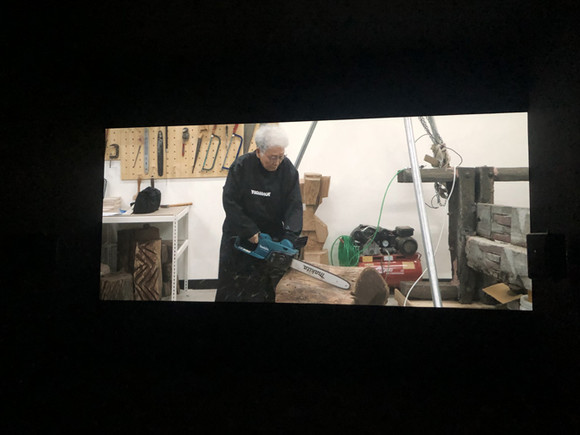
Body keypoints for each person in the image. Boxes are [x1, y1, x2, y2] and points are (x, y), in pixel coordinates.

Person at [216, 124, 303, 302]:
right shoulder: (241, 166)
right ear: (258, 151)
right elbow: (230, 201)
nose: (277, 162)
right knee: (232, 291)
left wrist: (290, 236)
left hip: (271, 238)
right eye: (272, 157)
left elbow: (294, 206)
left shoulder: (288, 170)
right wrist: (249, 230)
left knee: (265, 293)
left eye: (281, 156)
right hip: (239, 234)